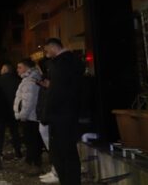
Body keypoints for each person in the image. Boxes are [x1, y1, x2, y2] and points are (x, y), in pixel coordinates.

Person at [43, 38, 84, 185]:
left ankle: (69, 181)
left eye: (47, 51)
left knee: (63, 152)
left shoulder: (62, 63)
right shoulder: (70, 61)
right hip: (67, 113)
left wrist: (46, 113)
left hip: (61, 115)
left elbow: (58, 91)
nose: (47, 55)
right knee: (65, 152)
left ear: (54, 47)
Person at [14, 59, 43, 175]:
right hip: (31, 116)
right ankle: (30, 162)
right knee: (31, 141)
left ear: (26, 68)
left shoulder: (29, 81)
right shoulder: (28, 79)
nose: (17, 70)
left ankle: (35, 165)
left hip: (30, 117)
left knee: (32, 142)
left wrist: (22, 115)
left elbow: (29, 101)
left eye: (19, 67)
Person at [36, 60, 59, 184]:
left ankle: (57, 171)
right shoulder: (44, 80)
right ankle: (54, 170)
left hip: (49, 117)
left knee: (54, 145)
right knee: (51, 145)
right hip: (44, 116)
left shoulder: (51, 81)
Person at [0, 63, 23, 159]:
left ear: (4, 70)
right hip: (13, 109)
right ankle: (18, 151)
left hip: (2, 111)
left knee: (0, 133)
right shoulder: (16, 80)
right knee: (15, 132)